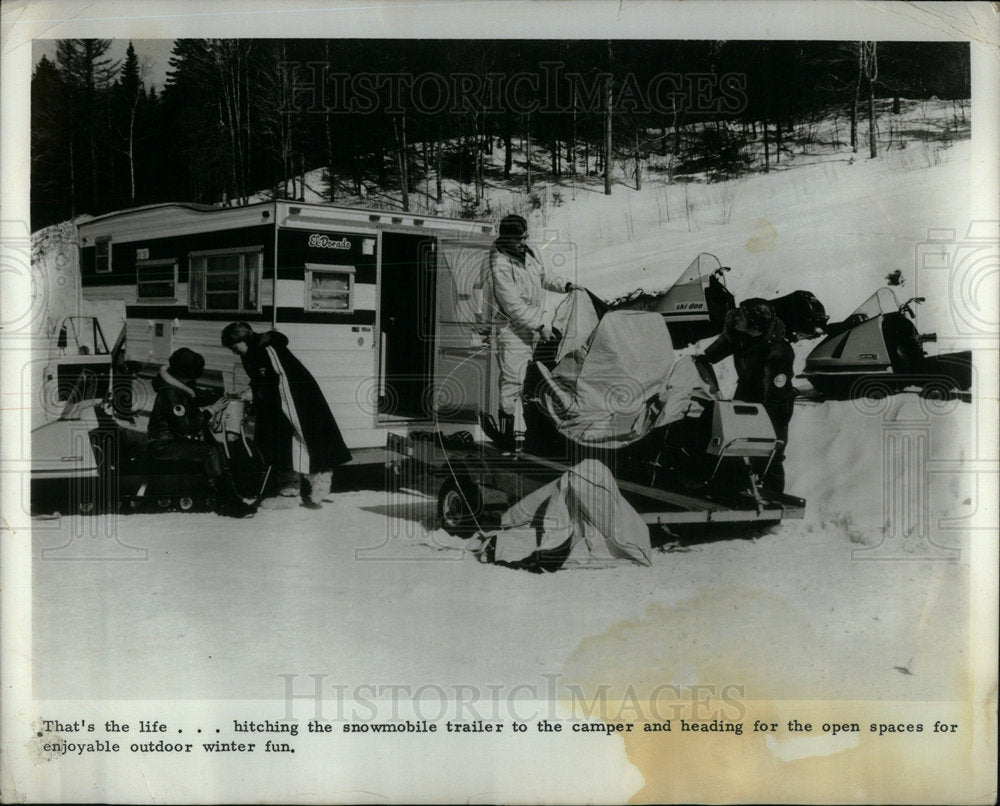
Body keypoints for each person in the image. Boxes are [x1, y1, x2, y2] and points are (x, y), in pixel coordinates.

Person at [221, 322, 352, 509]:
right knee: (280, 443)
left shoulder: (268, 348)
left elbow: (282, 379)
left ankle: (320, 480)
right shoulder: (251, 354)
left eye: (235, 347)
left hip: (296, 400)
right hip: (277, 402)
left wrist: (260, 395)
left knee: (303, 435)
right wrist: (252, 392)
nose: (234, 352)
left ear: (243, 339)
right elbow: (261, 379)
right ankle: (288, 491)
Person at [484, 214, 573, 450]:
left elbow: (544, 276)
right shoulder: (499, 265)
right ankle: (505, 434)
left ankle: (533, 431)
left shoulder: (530, 253)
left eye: (526, 237)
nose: (524, 241)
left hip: (532, 326)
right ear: (507, 238)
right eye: (519, 238)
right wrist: (540, 326)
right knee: (513, 379)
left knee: (532, 378)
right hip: (512, 329)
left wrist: (565, 285)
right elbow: (513, 306)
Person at [694, 298, 796, 492]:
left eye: (742, 316)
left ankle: (773, 502)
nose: (737, 318)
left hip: (775, 403)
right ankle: (732, 488)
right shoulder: (740, 336)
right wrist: (699, 363)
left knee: (770, 452)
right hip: (747, 393)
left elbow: (774, 389)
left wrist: (758, 420)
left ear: (754, 324)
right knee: (732, 446)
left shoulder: (778, 350)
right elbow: (710, 356)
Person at [147, 347, 255, 517]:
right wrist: (211, 410)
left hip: (170, 441)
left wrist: (220, 396)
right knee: (210, 451)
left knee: (213, 444)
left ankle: (228, 490)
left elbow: (195, 395)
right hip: (163, 445)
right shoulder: (171, 394)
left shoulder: (176, 385)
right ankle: (228, 501)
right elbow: (185, 427)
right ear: (186, 373)